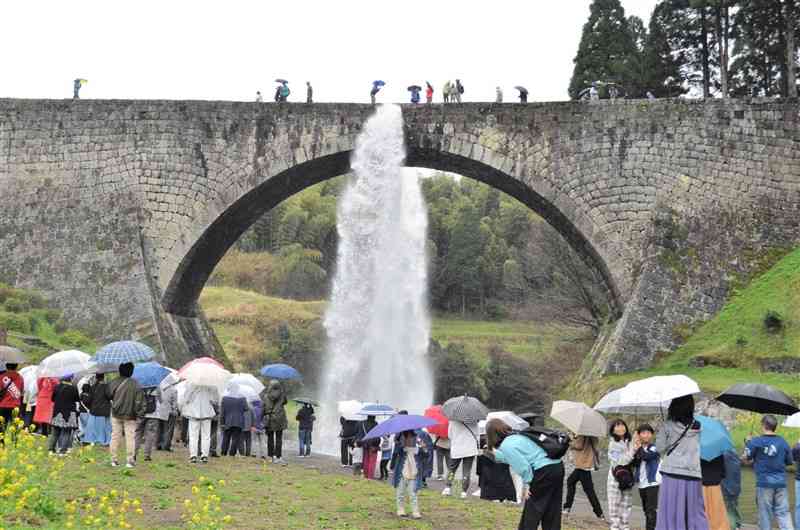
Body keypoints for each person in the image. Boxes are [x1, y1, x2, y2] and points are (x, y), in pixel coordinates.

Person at [486, 418, 563, 530]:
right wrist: (495, 455)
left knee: (532, 509)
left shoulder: (506, 445)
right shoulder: (517, 436)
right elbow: (516, 458)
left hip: (543, 471)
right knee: (552, 509)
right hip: (557, 466)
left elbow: (523, 467)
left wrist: (529, 484)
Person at [655, 395, 708, 530]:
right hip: (693, 474)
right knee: (694, 511)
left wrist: (665, 432)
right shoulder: (698, 425)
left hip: (671, 473)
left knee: (670, 511)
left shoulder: (667, 425)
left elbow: (660, 448)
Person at [745, 415, 794, 530]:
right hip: (781, 483)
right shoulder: (783, 442)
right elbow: (789, 461)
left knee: (765, 514)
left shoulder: (756, 441)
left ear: (763, 425)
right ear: (774, 427)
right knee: (784, 513)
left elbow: (746, 458)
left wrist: (748, 443)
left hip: (764, 483)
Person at [106, 362, 142, 468]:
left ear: (119, 370)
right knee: (130, 437)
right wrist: (139, 413)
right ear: (131, 371)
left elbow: (108, 395)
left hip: (115, 413)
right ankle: (130, 461)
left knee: (115, 436)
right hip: (131, 415)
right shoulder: (136, 384)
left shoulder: (113, 382)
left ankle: (113, 460)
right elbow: (139, 401)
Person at [562, 434, 604, 520]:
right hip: (585, 464)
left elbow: (579, 445)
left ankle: (599, 513)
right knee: (571, 481)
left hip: (582, 465)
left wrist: (570, 440)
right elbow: (595, 447)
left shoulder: (583, 434)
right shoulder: (593, 435)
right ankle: (567, 507)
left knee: (589, 491)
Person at [179, 382, 220, 464]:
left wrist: (183, 407)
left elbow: (185, 398)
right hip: (207, 412)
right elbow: (216, 400)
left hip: (194, 412)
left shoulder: (192, 384)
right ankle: (204, 456)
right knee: (206, 435)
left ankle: (193, 456)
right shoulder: (212, 385)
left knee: (193, 436)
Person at [391, 430, 426, 519]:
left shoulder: (418, 450)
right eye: (407, 438)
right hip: (401, 474)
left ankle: (415, 511)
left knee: (413, 494)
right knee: (400, 493)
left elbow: (427, 455)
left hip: (414, 474)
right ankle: (400, 510)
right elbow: (395, 453)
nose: (410, 440)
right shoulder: (401, 449)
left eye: (412, 437)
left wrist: (423, 447)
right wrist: (397, 441)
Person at [608, 419, 635, 530]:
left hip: (628, 477)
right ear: (613, 430)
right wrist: (633, 450)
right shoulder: (613, 444)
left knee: (626, 504)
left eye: (622, 425)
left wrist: (634, 445)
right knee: (614, 505)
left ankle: (625, 527)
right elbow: (621, 461)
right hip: (616, 478)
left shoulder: (630, 441)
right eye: (617, 426)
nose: (620, 428)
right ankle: (615, 527)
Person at [442, 419, 480, 498]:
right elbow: (477, 434)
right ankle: (464, 492)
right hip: (470, 449)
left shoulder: (453, 421)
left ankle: (447, 487)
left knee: (452, 470)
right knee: (466, 471)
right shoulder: (474, 422)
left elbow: (449, 435)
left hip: (457, 449)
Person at [634, 424, 661, 530]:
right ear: (639, 435)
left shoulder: (655, 447)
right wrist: (635, 451)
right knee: (646, 509)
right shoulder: (637, 449)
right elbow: (635, 463)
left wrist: (639, 447)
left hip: (652, 483)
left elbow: (647, 457)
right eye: (643, 433)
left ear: (652, 435)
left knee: (651, 510)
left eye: (649, 433)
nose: (646, 435)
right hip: (641, 483)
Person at [48, 375, 80, 455]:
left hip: (57, 412)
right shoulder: (73, 388)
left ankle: (51, 450)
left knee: (55, 432)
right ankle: (62, 451)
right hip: (69, 413)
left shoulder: (57, 387)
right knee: (66, 432)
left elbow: (52, 399)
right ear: (71, 379)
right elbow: (77, 399)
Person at [262, 379, 288, 464]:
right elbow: (285, 402)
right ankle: (278, 457)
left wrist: (262, 417)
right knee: (279, 438)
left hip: (269, 418)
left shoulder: (266, 396)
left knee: (270, 438)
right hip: (280, 418)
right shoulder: (282, 395)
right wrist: (282, 391)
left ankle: (270, 456)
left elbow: (263, 407)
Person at [701, 455, 730, 530]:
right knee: (717, 511)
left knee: (703, 510)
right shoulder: (718, 454)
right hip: (715, 486)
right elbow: (723, 473)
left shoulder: (698, 452)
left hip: (701, 486)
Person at [135, 386, 163, 462]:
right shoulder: (157, 387)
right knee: (150, 435)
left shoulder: (140, 387)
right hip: (153, 415)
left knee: (138, 433)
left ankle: (134, 453)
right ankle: (147, 455)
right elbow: (161, 401)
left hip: (141, 414)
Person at [82, 373, 112, 446]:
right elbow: (110, 396)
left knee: (92, 427)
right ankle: (103, 440)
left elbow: (89, 399)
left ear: (96, 378)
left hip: (94, 410)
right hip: (104, 410)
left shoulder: (93, 387)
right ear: (103, 378)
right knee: (104, 427)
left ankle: (89, 440)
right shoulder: (106, 387)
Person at [220, 389, 247, 457]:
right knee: (235, 438)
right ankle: (232, 453)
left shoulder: (225, 398)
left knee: (226, 437)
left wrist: (222, 422)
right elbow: (246, 408)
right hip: (238, 421)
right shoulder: (242, 398)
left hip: (227, 421)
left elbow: (222, 412)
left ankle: (223, 452)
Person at [721, 449, 742, 530]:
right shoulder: (734, 453)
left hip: (726, 487)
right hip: (735, 487)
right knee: (734, 507)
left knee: (729, 511)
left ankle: (733, 527)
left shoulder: (723, 454)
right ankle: (737, 525)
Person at [0, 363, 24, 428]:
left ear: (6, 366)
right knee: (14, 429)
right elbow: (21, 392)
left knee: (1, 428)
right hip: (15, 406)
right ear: (16, 366)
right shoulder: (20, 377)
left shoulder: (1, 377)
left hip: (3, 405)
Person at [157, 380, 178, 452]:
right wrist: (175, 410)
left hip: (159, 411)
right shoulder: (173, 390)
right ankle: (166, 446)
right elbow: (174, 402)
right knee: (168, 430)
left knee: (160, 429)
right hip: (169, 412)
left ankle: (158, 444)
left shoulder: (159, 387)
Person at [356, 415, 379, 479]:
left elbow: (359, 433)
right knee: (372, 461)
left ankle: (365, 475)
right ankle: (370, 476)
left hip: (365, 444)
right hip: (373, 444)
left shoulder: (362, 423)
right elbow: (377, 435)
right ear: (374, 416)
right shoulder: (375, 424)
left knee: (365, 460)